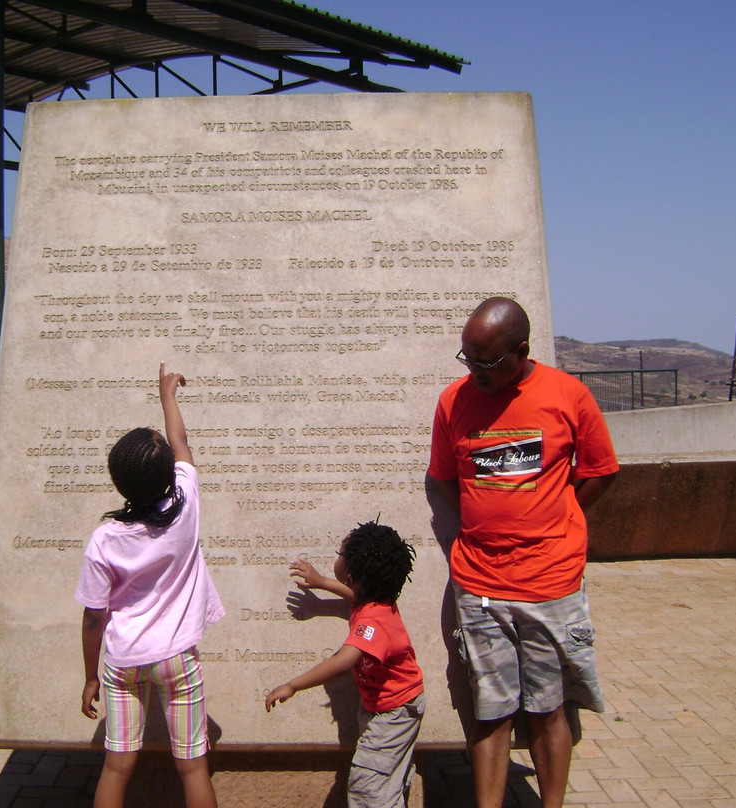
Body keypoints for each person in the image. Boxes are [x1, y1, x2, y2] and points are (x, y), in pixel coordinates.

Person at [428, 297, 619, 808]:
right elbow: (445, 477)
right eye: (468, 359)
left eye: (488, 362)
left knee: (548, 709)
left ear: (522, 351)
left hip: (550, 584)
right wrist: (488, 520)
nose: (476, 373)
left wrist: (557, 515)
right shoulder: (453, 402)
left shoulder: (568, 395)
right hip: (481, 585)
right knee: (490, 712)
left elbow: (601, 471)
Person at [76, 362, 224, 808]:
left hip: (123, 660)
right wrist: (168, 397)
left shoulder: (105, 539)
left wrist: (90, 676)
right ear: (167, 475)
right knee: (193, 767)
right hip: (176, 656)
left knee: (117, 766)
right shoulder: (186, 502)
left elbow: (93, 617)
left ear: (119, 480)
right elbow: (181, 443)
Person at [265, 521, 425, 808]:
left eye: (340, 553)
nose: (337, 556)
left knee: (368, 785)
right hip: (390, 704)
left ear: (350, 574)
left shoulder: (373, 622)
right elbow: (353, 596)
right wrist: (322, 582)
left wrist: (293, 685)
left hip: (393, 712)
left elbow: (344, 660)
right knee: (386, 778)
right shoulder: (378, 599)